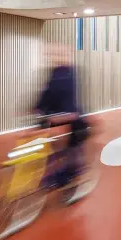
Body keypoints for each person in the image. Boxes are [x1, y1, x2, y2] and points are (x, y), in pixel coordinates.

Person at [34, 43, 89, 189]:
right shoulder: (55, 72)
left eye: (59, 54)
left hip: (73, 121)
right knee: (49, 149)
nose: (55, 57)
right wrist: (35, 108)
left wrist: (64, 115)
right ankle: (53, 174)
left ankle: (71, 177)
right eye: (53, 55)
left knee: (70, 152)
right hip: (56, 118)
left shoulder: (71, 74)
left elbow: (70, 100)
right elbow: (47, 93)